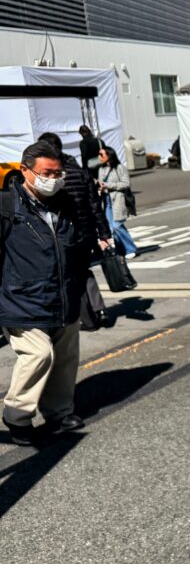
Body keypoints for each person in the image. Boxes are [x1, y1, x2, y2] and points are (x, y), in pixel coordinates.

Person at [1, 141, 90, 445]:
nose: (53, 179)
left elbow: (79, 242)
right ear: (25, 170)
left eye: (57, 173)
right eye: (46, 173)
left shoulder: (65, 203)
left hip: (64, 294)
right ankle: (17, 414)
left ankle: (59, 411)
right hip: (21, 298)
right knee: (38, 354)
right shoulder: (7, 206)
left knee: (65, 357)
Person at [38, 133, 113, 329]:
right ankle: (100, 310)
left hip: (64, 235)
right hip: (86, 233)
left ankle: (88, 319)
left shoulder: (49, 177)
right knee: (83, 271)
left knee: (70, 276)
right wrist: (104, 232)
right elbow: (94, 206)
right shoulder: (79, 172)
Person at [97, 147, 138, 259]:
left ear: (109, 155)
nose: (99, 157)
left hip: (118, 199)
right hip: (106, 199)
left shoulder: (119, 168)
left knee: (117, 225)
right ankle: (121, 249)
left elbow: (126, 183)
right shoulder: (101, 169)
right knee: (111, 226)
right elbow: (101, 183)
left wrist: (109, 185)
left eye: (101, 154)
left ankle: (130, 248)